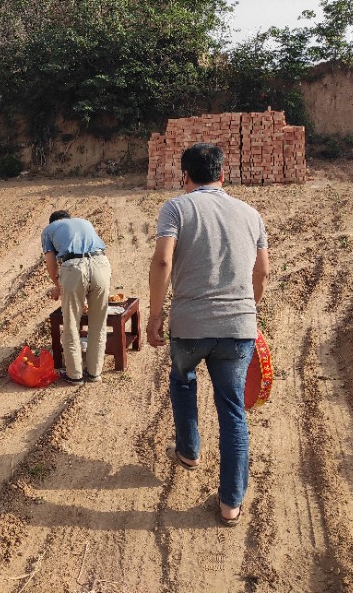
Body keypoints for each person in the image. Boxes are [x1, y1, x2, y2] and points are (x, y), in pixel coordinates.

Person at [147, 143, 269, 526]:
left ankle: (188, 451)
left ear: (185, 176)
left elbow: (163, 260)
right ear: (222, 174)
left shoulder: (176, 209)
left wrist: (154, 316)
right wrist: (248, 309)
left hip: (189, 326)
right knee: (232, 410)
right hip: (238, 328)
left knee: (183, 380)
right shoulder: (252, 214)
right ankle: (231, 504)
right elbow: (262, 272)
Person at [42, 210, 112, 385]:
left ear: (53, 222)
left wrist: (59, 286)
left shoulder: (49, 229)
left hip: (74, 267)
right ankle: (95, 373)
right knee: (98, 322)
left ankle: (74, 375)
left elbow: (51, 264)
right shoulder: (84, 222)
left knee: (71, 323)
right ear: (69, 218)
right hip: (101, 264)